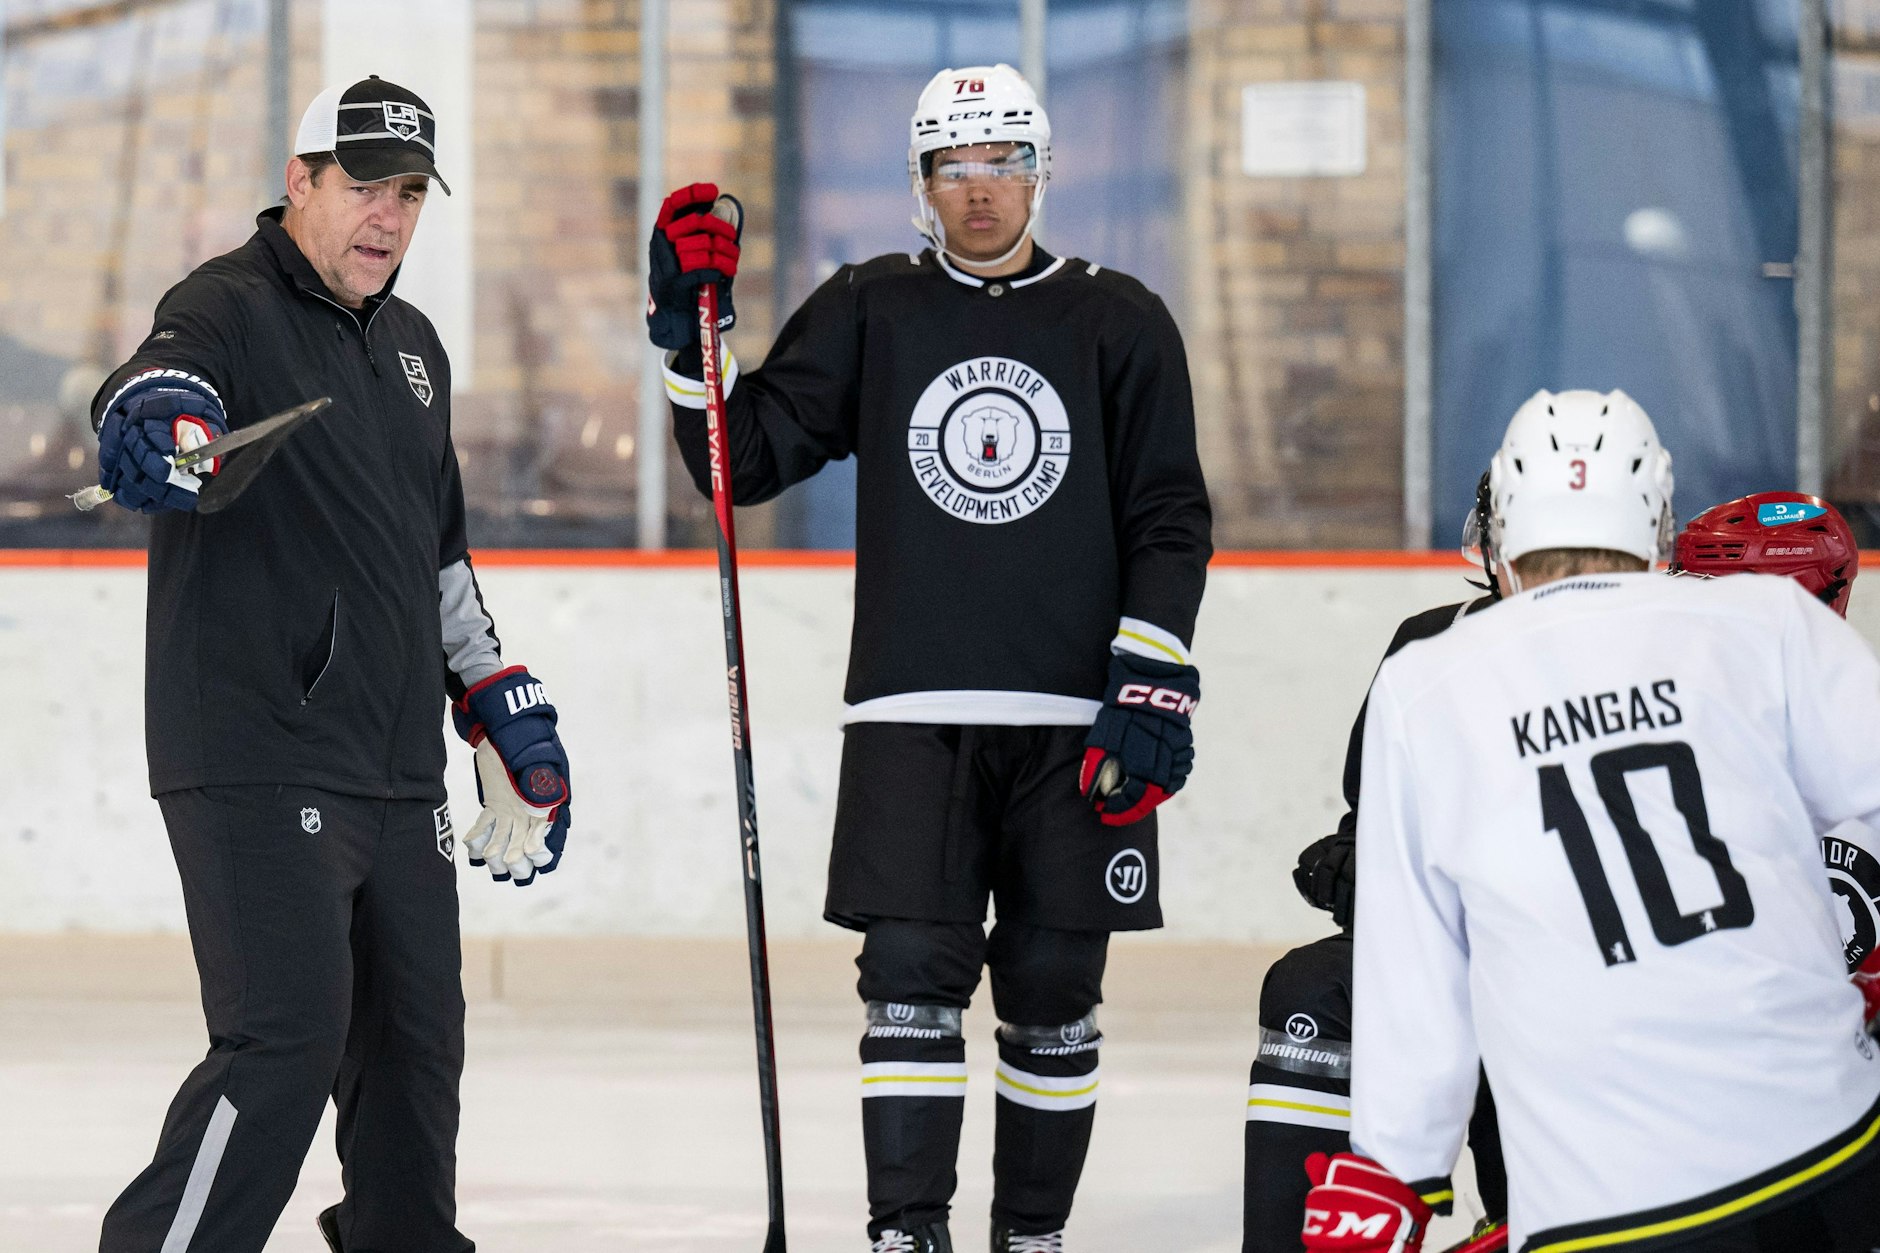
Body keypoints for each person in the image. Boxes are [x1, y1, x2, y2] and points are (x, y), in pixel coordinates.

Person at [645, 63, 1212, 1253]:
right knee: (907, 980)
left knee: (1056, 992)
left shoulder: (1118, 319)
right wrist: (683, 338)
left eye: (1002, 162)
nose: (980, 190)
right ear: (920, 181)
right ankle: (906, 1233)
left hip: (1076, 724)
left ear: (1039, 171)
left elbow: (1167, 513)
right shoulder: (870, 308)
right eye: (955, 166)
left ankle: (1032, 1234)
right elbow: (735, 462)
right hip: (912, 713)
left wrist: (1151, 671)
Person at [90, 76, 571, 1253]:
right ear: (299, 182)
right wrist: (154, 420)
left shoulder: (415, 351)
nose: (388, 217)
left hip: (395, 770)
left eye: (409, 193)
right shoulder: (226, 305)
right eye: (363, 186)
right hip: (258, 748)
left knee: (415, 1054)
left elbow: (437, 556)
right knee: (285, 1042)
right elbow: (160, 381)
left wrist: (500, 703)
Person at [1303, 390, 1880, 1253]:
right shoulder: (1766, 621)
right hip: (1831, 1157)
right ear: (1660, 530)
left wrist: (1398, 1171)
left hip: (1606, 1199)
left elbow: (1414, 977)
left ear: (1498, 539)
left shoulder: (1428, 684)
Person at [1245, 475, 1506, 1253]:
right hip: (1459, 948)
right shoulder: (1428, 640)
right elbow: (1376, 807)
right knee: (1310, 985)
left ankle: (1525, 1211)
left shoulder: (1644, 648)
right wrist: (1365, 864)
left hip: (1576, 962)